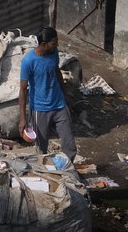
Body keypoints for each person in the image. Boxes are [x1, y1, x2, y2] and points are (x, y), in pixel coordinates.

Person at [19, 26, 76, 158]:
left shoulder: (54, 53)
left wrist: (65, 94)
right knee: (41, 148)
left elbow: (57, 71)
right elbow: (22, 90)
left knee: (70, 146)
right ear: (44, 44)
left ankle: (67, 172)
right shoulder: (28, 61)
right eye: (54, 42)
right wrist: (22, 118)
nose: (57, 45)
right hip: (40, 109)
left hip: (59, 105)